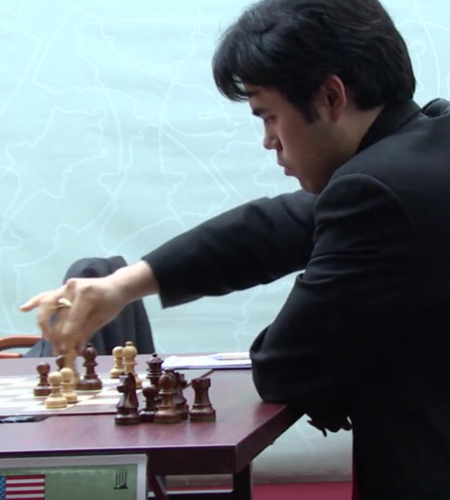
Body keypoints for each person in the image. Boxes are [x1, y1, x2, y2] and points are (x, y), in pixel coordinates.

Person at [20, 0, 450, 498]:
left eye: (269, 117)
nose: (268, 141)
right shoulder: (424, 147)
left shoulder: (379, 193)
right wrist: (121, 285)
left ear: (331, 97)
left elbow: (285, 366)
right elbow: (275, 227)